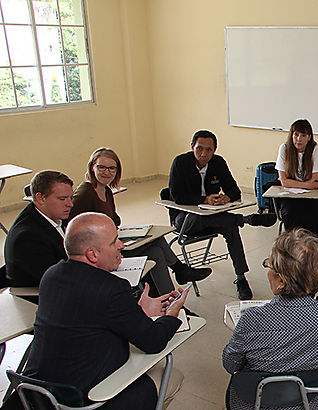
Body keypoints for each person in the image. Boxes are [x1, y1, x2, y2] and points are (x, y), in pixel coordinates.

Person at [18, 213, 190, 409]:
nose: (121, 246)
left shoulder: (51, 276)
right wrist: (172, 314)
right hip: (81, 401)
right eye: (114, 242)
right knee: (173, 377)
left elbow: (89, 315)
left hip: (38, 396)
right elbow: (153, 341)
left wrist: (135, 311)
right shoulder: (111, 288)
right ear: (93, 254)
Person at [222, 228, 318, 410]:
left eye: (270, 266)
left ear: (281, 281)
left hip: (253, 404)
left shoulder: (251, 320)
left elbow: (231, 364)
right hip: (308, 403)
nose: (268, 271)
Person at [67, 147, 211, 294]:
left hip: (113, 241)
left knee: (156, 251)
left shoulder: (106, 190)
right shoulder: (85, 193)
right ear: (92, 167)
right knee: (157, 243)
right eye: (101, 167)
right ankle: (180, 273)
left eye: (111, 168)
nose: (106, 172)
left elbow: (114, 220)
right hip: (101, 252)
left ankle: (170, 298)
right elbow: (69, 227)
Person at [168, 130, 276, 300]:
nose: (203, 154)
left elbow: (234, 190)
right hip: (186, 218)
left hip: (214, 216)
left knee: (231, 227)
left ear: (215, 150)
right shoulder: (180, 163)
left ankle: (241, 279)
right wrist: (204, 199)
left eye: (209, 150)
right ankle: (246, 219)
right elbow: (177, 196)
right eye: (199, 149)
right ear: (192, 147)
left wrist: (227, 197)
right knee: (206, 218)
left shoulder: (218, 163)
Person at [275, 119, 318, 263]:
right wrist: (307, 184)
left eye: (303, 135)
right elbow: (284, 181)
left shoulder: (315, 149)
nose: (298, 139)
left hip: (314, 195)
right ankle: (293, 254)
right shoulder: (284, 149)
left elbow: (316, 182)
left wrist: (297, 184)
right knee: (290, 214)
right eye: (296, 135)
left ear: (309, 137)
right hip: (292, 195)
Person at [3, 171, 72, 289]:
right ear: (40, 198)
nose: (70, 204)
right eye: (63, 199)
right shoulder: (27, 238)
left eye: (71, 197)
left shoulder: (56, 214)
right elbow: (60, 280)